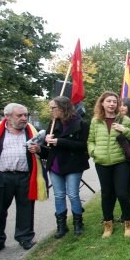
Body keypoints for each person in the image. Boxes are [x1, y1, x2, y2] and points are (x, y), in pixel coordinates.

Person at [0, 103, 48, 257]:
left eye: (25, 115)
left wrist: (39, 149)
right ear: (7, 116)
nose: (24, 118)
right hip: (0, 177)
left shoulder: (34, 132)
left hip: (25, 176)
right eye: (19, 115)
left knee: (26, 209)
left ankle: (25, 238)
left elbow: (48, 153)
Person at [88, 91, 130, 237]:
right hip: (102, 162)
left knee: (122, 193)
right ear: (102, 103)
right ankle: (108, 224)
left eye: (114, 102)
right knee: (107, 194)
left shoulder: (124, 119)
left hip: (120, 162)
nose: (112, 104)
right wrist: (94, 152)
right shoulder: (95, 121)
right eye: (108, 101)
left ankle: (128, 222)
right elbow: (90, 140)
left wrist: (125, 130)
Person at [42, 96, 90, 238]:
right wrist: (44, 143)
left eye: (53, 108)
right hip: (55, 164)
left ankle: (78, 224)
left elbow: (82, 145)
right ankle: (61, 226)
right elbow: (48, 146)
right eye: (50, 108)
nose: (51, 111)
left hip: (73, 164)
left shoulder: (81, 124)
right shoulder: (52, 123)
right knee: (59, 195)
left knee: (73, 194)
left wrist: (59, 141)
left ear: (63, 107)